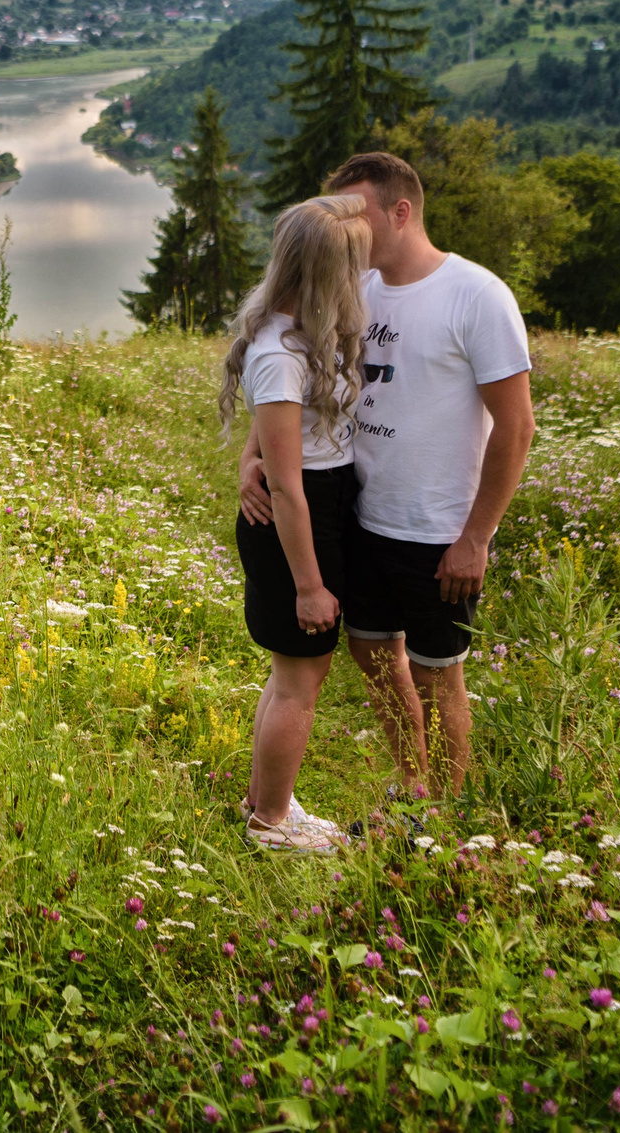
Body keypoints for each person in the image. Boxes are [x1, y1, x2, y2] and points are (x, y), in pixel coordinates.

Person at [240, 151, 535, 801]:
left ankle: (448, 815)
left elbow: (516, 428)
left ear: (401, 212)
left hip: (438, 531)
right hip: (358, 518)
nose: (343, 226)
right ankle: (412, 789)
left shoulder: (477, 295)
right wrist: (251, 457)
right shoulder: (354, 289)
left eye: (356, 211)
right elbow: (287, 378)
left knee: (439, 675)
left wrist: (477, 536)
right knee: (375, 659)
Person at [223, 193, 372, 853]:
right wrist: (310, 585)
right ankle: (272, 825)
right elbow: (287, 482)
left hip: (313, 503)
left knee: (293, 673)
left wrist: (249, 459)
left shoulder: (295, 332)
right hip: (299, 519)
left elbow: (275, 447)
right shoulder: (281, 353)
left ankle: (265, 799)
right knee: (299, 681)